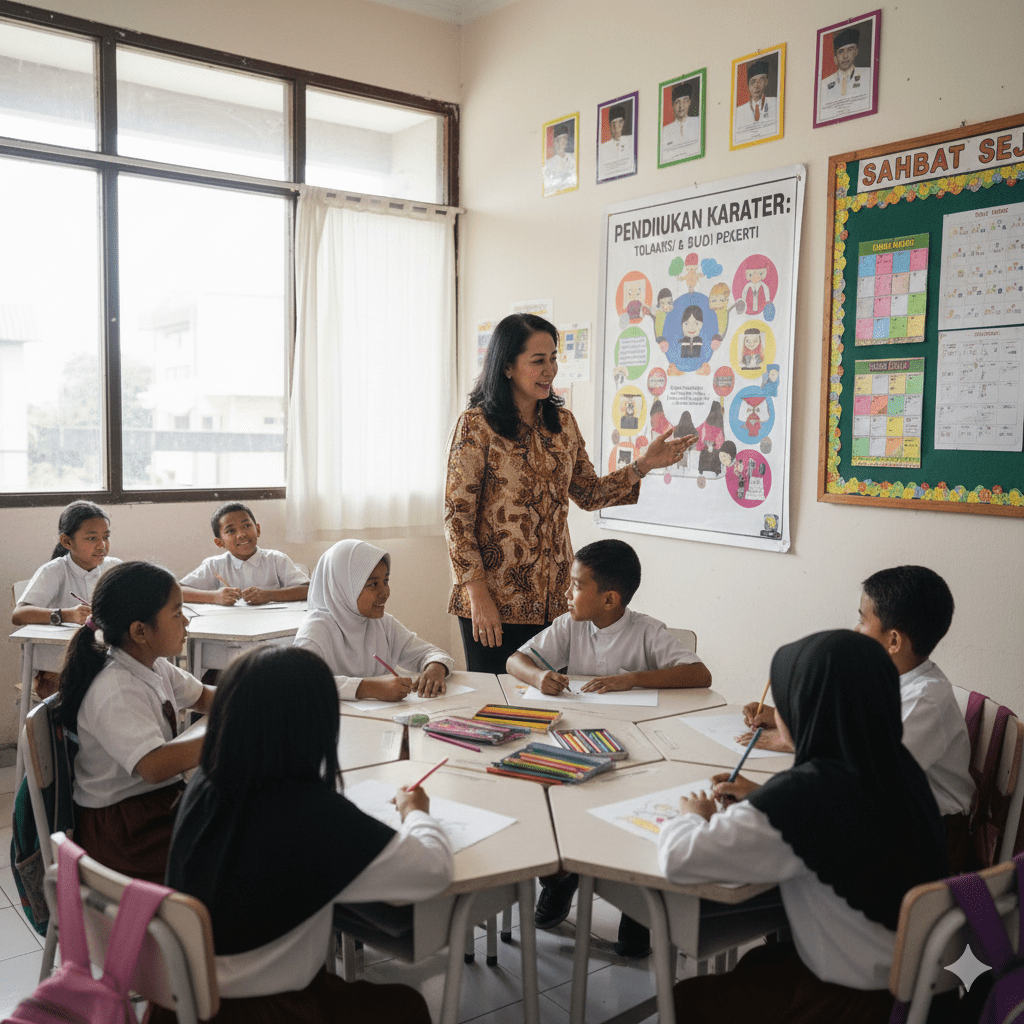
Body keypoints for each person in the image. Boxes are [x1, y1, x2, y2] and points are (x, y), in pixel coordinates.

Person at [148, 646, 453, 1024]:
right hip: (261, 1010)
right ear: (317, 726)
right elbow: (433, 869)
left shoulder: (206, 783)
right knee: (407, 1007)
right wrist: (415, 813)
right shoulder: (309, 812)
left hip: (182, 999)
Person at [661, 630, 948, 1023]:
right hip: (916, 985)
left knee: (687, 1001)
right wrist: (764, 802)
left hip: (852, 1005)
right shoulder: (897, 765)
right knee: (762, 962)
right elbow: (829, 819)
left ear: (803, 710)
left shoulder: (803, 796)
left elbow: (681, 858)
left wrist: (694, 814)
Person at [444, 313, 697, 674]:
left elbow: (589, 494)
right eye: (538, 361)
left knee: (554, 704)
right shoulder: (475, 427)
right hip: (493, 601)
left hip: (558, 602)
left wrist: (643, 465)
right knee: (498, 707)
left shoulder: (562, 426)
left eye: (553, 358)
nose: (550, 369)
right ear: (507, 368)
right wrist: (477, 594)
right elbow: (457, 517)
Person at [507, 538, 710, 954]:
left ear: (610, 599)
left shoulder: (647, 631)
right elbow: (515, 661)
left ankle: (637, 910)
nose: (567, 593)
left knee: (634, 812)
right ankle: (560, 880)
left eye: (577, 585)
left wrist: (633, 678)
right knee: (540, 798)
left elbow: (699, 674)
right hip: (575, 744)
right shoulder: (571, 625)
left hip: (639, 751)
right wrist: (536, 678)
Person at [742, 566, 974, 871]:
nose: (855, 629)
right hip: (884, 819)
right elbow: (849, 726)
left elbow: (856, 775)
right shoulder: (885, 677)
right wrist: (787, 715)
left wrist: (790, 747)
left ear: (893, 641)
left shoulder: (924, 702)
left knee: (774, 856)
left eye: (863, 620)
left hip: (923, 843)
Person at [55, 561, 215, 882]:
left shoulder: (153, 665)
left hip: (153, 804)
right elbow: (153, 767)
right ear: (140, 631)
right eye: (176, 613)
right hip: (124, 829)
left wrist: (254, 700)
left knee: (244, 817)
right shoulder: (116, 686)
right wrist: (232, 734)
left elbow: (204, 697)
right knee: (229, 851)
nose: (186, 622)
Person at [295, 538, 454, 700]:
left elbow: (432, 652)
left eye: (386, 581)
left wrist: (435, 668)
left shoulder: (382, 624)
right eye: (372, 585)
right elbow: (300, 682)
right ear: (345, 588)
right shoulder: (315, 631)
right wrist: (367, 688)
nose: (385, 592)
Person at [13, 500, 122, 698]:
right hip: (57, 669)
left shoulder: (113, 568)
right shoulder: (54, 571)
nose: (102, 545)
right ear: (67, 542)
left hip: (103, 660)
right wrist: (66, 615)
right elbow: (19, 615)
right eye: (91, 538)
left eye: (106, 537)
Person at [180, 502, 309, 606]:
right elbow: (177, 591)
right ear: (219, 543)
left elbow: (307, 589)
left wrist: (268, 595)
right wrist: (214, 597)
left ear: (257, 530)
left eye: (247, 526)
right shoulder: (214, 565)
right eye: (231, 531)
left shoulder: (276, 560)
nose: (241, 534)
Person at [820, 27, 871, 110]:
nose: (845, 56)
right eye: (840, 51)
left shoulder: (868, 74)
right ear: (835, 58)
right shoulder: (824, 84)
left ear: (856, 51)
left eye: (850, 50)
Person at [734, 59, 775, 134]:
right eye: (753, 82)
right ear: (748, 86)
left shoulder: (776, 103)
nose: (756, 86)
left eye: (760, 81)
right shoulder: (739, 112)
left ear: (766, 81)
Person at [661, 80, 699, 159]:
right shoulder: (665, 130)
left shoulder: (698, 122)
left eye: (685, 100)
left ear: (689, 102)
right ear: (673, 105)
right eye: (677, 102)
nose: (681, 106)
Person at [599, 103, 634, 178]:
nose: (616, 127)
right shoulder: (603, 147)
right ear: (610, 126)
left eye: (620, 122)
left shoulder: (631, 140)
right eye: (613, 124)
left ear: (623, 123)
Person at [544, 122, 574, 191]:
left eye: (565, 138)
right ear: (557, 141)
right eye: (561, 139)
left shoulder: (572, 157)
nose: (564, 141)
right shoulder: (549, 163)